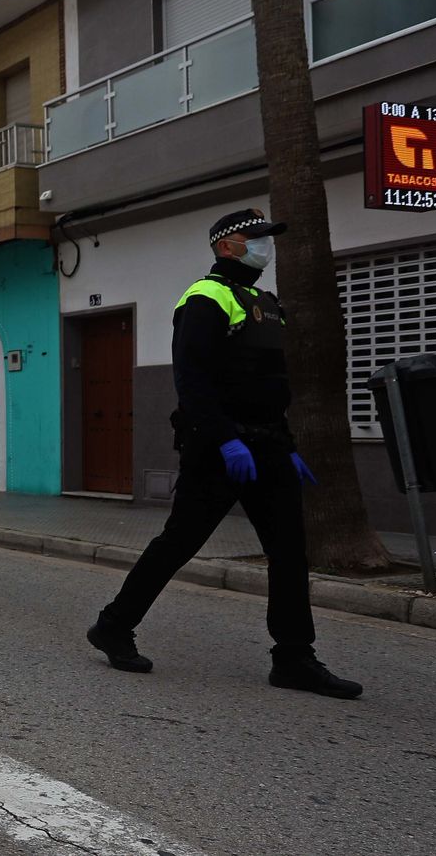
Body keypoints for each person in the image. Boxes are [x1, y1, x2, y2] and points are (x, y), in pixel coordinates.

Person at [86, 208, 361, 700]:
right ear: (225, 245)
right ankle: (113, 625)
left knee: (289, 552)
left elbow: (272, 385)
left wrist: (287, 446)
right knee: (179, 543)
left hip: (269, 446)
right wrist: (224, 439)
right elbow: (192, 380)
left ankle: (294, 657)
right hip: (219, 448)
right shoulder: (204, 297)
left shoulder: (268, 303)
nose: (265, 246)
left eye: (267, 237)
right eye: (255, 238)